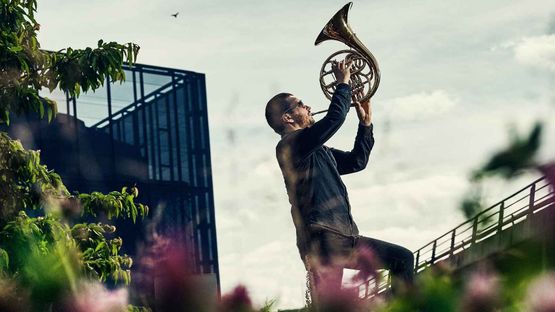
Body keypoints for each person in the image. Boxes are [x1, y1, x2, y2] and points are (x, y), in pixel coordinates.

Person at [264, 59, 414, 302]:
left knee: (402, 260)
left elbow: (357, 161)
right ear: (287, 118)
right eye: (301, 104)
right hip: (323, 241)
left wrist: (365, 124)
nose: (308, 106)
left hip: (343, 238)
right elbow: (335, 119)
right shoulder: (289, 146)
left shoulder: (317, 151)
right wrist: (342, 83)